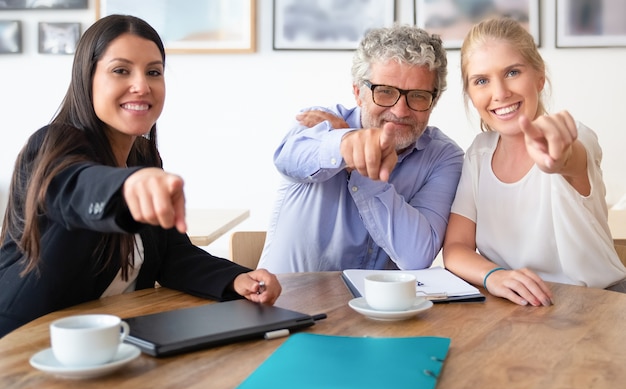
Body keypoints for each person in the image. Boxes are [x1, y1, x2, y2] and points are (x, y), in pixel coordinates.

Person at [0, 15, 280, 338]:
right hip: (25, 345)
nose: (142, 86)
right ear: (87, 78)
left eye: (154, 72)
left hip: (112, 346)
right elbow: (77, 187)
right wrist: (126, 186)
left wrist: (235, 280)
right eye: (121, 70)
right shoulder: (51, 146)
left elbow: (173, 256)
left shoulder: (144, 157)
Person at [442, 17, 626, 307]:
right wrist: (495, 276)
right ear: (471, 94)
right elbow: (455, 248)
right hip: (517, 306)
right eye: (481, 81)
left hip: (598, 305)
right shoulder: (478, 154)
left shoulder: (573, 137)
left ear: (539, 76)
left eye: (512, 72)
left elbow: (569, 158)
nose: (500, 92)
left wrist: (558, 160)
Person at [258, 25, 464, 273]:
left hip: (381, 310)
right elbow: (286, 159)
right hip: (289, 306)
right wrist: (347, 143)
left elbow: (416, 256)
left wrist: (366, 170)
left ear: (434, 102)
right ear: (358, 92)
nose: (400, 111)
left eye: (418, 96)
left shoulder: (444, 157)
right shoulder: (317, 124)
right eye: (385, 92)